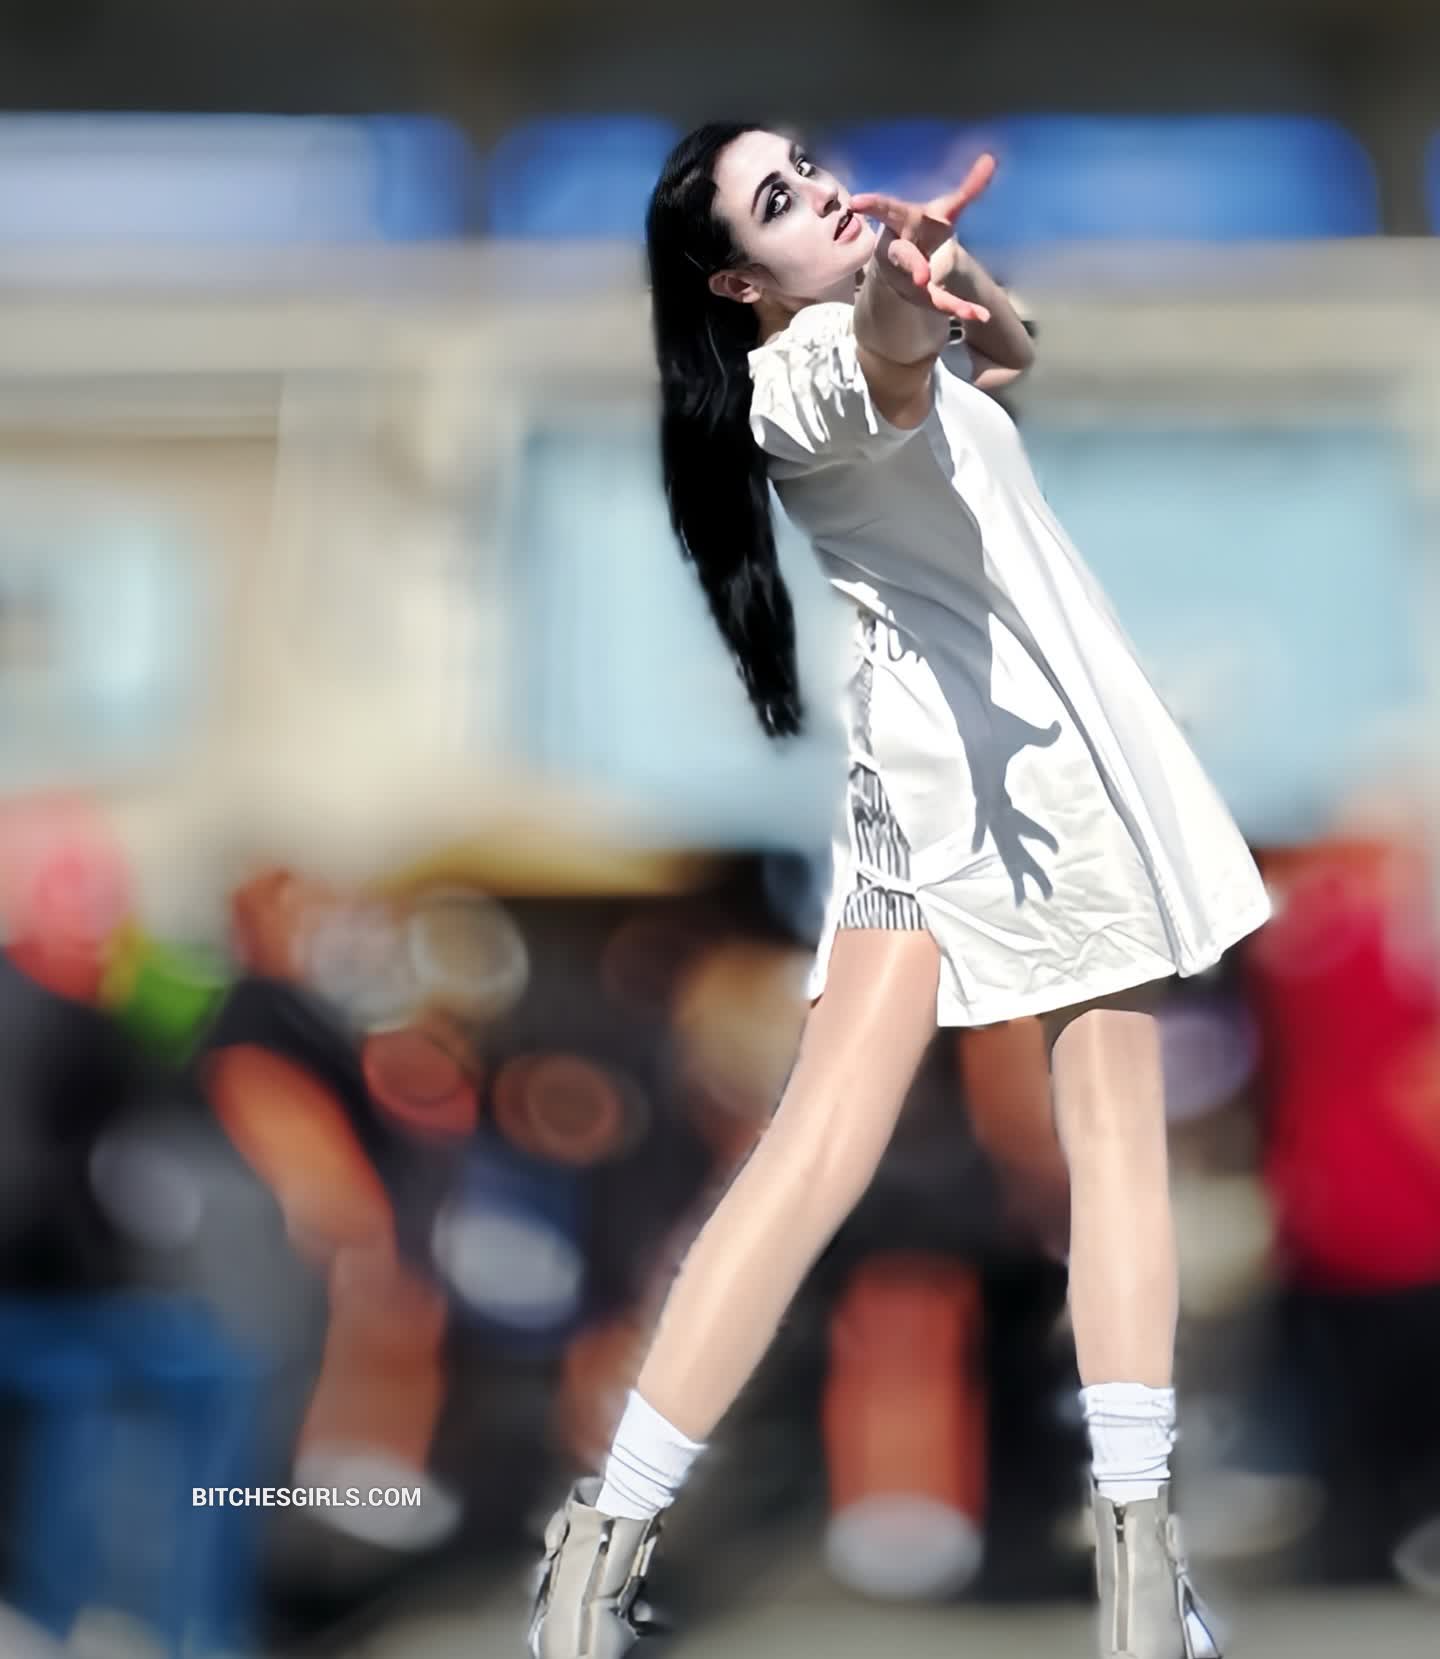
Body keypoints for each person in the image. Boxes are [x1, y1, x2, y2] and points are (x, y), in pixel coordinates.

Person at [528, 122, 1268, 1659]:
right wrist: (900, 298)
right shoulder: (807, 380)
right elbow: (892, 368)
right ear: (737, 282)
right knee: (1110, 1147)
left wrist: (940, 266)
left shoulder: (837, 345)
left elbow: (1009, 349)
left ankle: (598, 1558)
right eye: (779, 203)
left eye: (807, 165)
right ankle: (1141, 1571)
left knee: (810, 1155)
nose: (821, 192)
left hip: (913, 786)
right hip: (1029, 783)